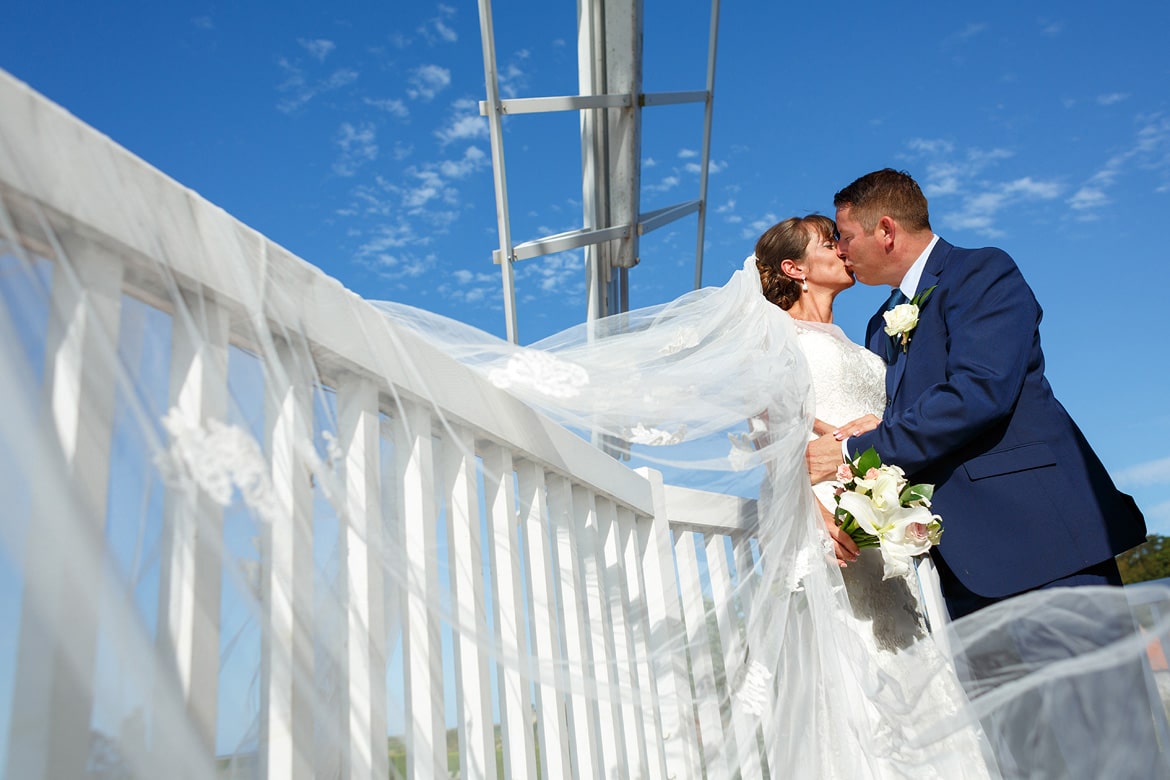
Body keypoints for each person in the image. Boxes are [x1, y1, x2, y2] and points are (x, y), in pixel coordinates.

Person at [803, 168, 1163, 777]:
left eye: (845, 235)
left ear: (885, 230)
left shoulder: (982, 273)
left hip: (1043, 550)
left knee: (1108, 744)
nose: (841, 250)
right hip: (957, 570)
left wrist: (858, 452)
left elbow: (979, 393)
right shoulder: (877, 327)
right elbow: (904, 421)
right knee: (1022, 754)